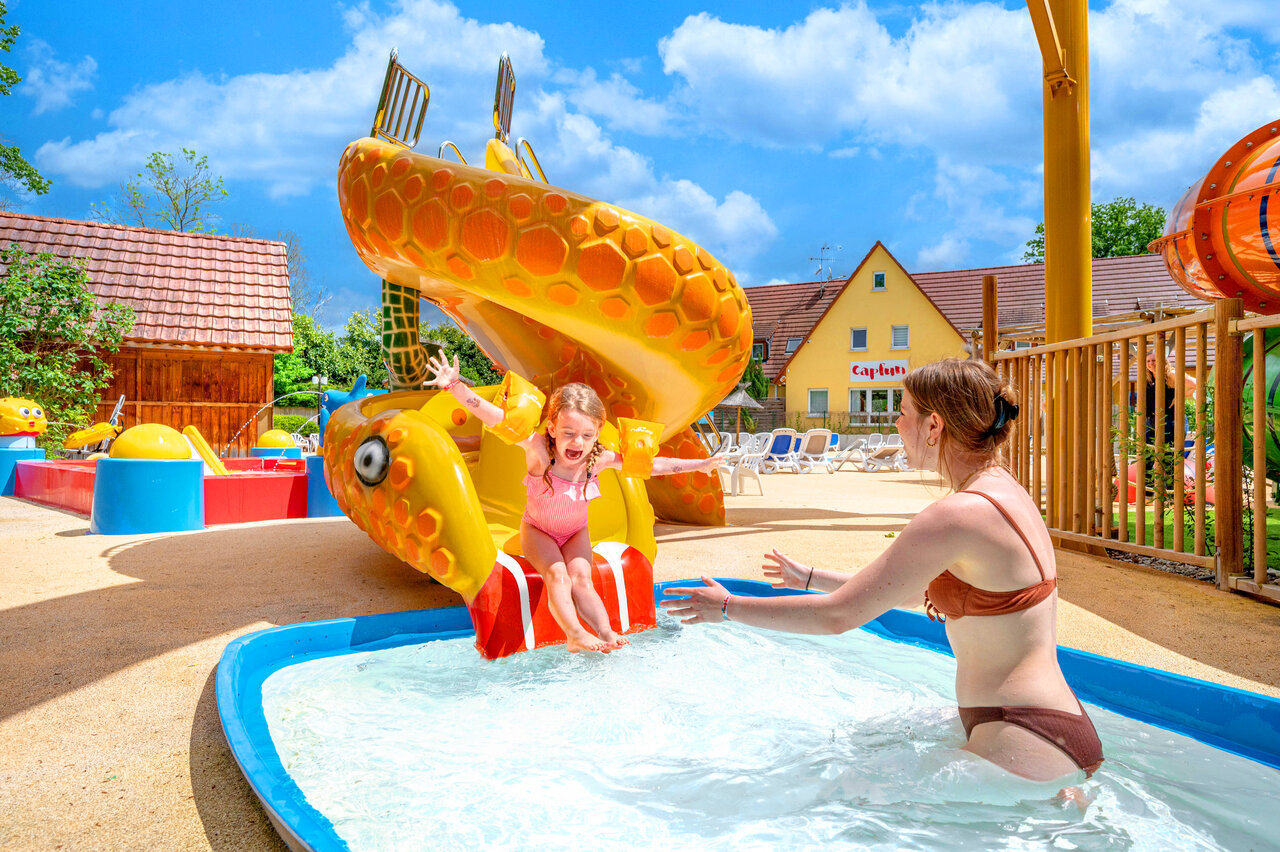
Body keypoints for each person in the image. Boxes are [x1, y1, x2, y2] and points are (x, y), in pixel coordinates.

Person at [662, 358, 1104, 782]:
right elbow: (911, 593)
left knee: (838, 794)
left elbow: (837, 617)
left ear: (935, 426)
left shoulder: (958, 514)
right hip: (1041, 729)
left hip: (1022, 740)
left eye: (903, 412)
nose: (895, 424)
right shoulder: (1003, 491)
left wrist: (726, 606)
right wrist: (812, 579)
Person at [427, 352, 722, 653]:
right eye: (569, 433)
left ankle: (606, 632)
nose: (577, 443)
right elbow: (496, 418)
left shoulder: (599, 460)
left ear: (596, 435)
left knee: (582, 579)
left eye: (586, 435)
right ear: (553, 429)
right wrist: (455, 387)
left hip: (575, 533)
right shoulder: (539, 451)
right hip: (538, 531)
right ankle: (575, 633)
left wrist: (699, 465)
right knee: (557, 574)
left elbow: (652, 465)